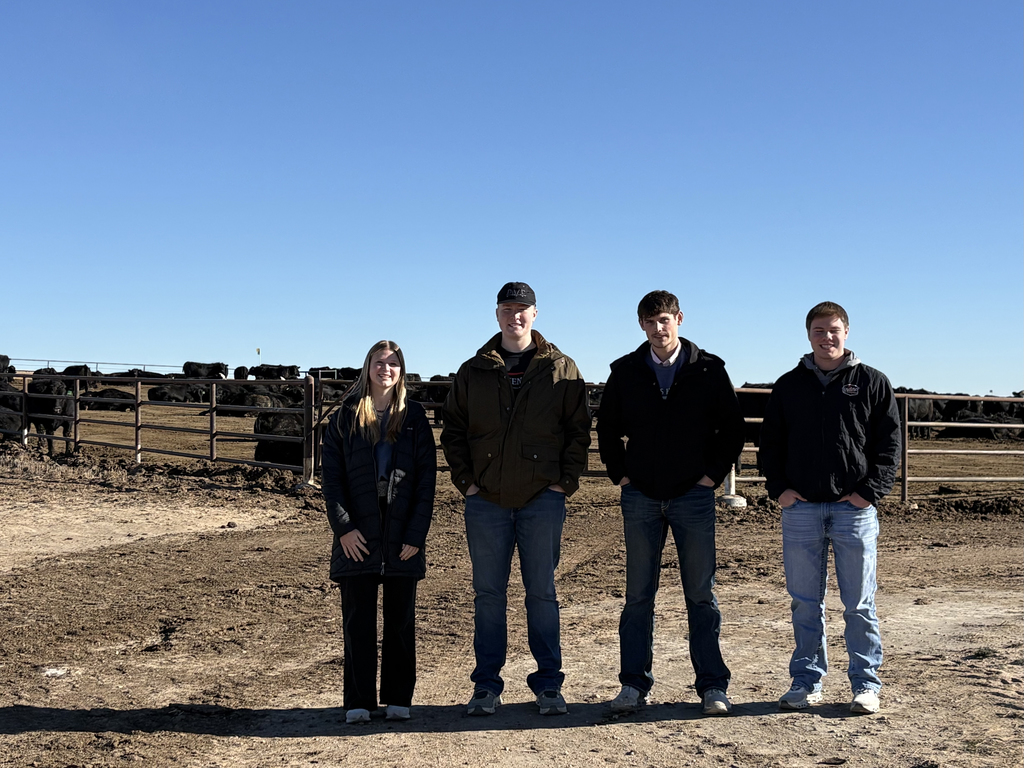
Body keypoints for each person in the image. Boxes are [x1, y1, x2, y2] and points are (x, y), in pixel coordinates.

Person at [440, 281, 591, 717]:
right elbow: (453, 429)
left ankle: (549, 685)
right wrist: (466, 482)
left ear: (535, 314)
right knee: (488, 594)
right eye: (507, 309)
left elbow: (579, 430)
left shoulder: (561, 368)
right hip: (485, 500)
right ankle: (486, 686)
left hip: (542, 499)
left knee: (541, 593)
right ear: (497, 315)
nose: (515, 316)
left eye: (522, 309)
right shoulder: (474, 370)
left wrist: (564, 483)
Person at [596, 290, 744, 716]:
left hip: (692, 496)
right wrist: (621, 475)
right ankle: (633, 685)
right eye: (650, 321)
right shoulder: (625, 371)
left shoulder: (708, 369)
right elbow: (607, 428)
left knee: (700, 593)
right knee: (638, 595)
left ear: (679, 318)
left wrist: (710, 478)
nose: (658, 328)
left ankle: (712, 686)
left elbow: (732, 429)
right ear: (640, 325)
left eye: (664, 319)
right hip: (641, 495)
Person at [759, 301, 900, 715]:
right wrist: (780, 490)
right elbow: (770, 443)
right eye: (819, 331)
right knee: (805, 603)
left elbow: (889, 445)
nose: (827, 338)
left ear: (847, 332)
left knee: (859, 603)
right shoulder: (789, 386)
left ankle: (865, 684)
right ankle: (806, 681)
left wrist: (868, 492)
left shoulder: (872, 382)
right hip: (801, 510)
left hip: (853, 511)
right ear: (808, 335)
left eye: (834, 330)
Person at [321, 340, 437, 724]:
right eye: (379, 361)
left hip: (402, 531)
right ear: (367, 366)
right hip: (359, 531)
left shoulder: (415, 417)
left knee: (400, 621)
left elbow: (426, 481)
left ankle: (399, 698)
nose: (385, 368)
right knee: (358, 620)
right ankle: (359, 701)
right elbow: (332, 480)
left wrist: (416, 535)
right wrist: (344, 528)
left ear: (401, 370)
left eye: (392, 363)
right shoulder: (346, 416)